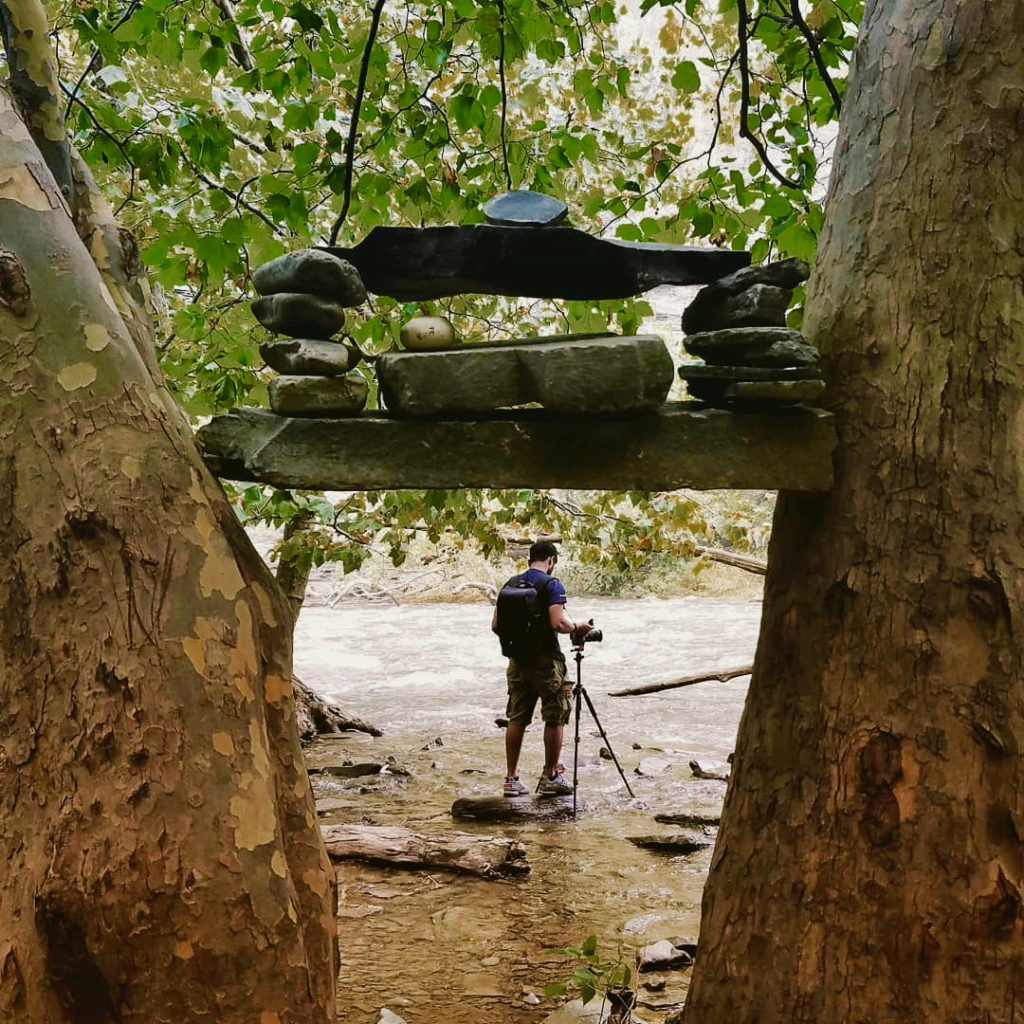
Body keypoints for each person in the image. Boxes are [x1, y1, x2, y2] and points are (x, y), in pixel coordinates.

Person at [491, 540, 592, 797]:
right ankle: (550, 777)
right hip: (546, 661)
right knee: (555, 716)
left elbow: (495, 625)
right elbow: (558, 621)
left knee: (517, 719)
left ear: (530, 559)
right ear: (551, 560)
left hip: (517, 662)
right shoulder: (551, 584)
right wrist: (577, 626)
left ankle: (511, 779)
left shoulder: (511, 583)